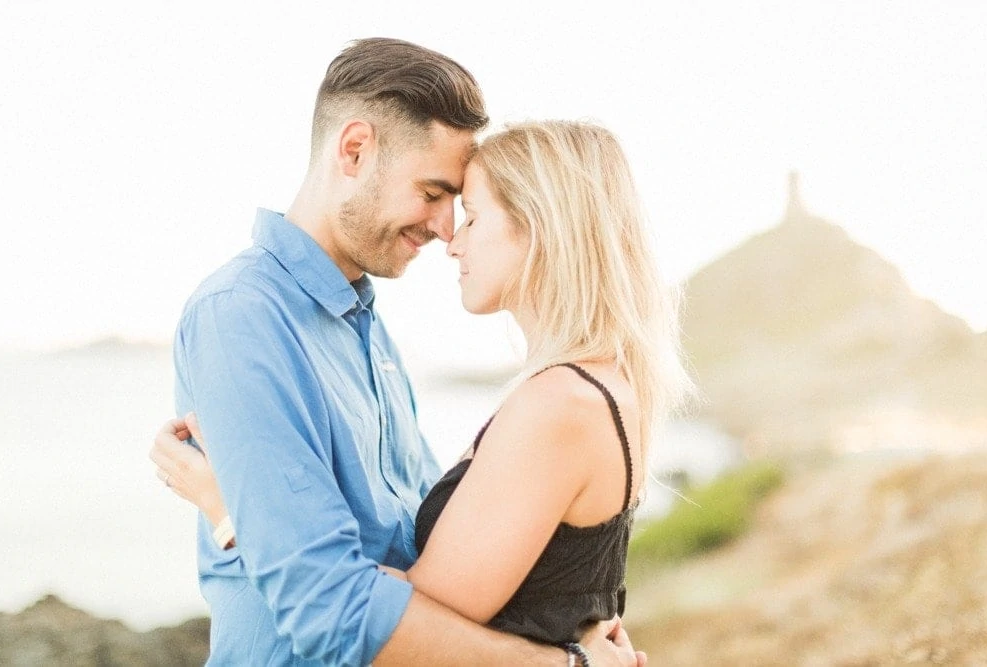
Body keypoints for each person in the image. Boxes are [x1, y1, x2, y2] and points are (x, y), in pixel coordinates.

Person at [153, 37, 650, 667]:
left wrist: (234, 516)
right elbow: (326, 607)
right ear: (355, 150)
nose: (446, 230)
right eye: (434, 192)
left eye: (463, 209)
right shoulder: (243, 316)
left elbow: (423, 565)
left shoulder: (368, 330)